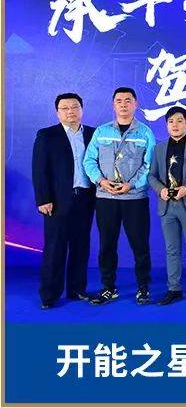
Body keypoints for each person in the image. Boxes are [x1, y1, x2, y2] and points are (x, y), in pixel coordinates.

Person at [83, 87, 156, 306]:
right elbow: (89, 160)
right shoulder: (101, 131)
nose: (123, 104)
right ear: (113, 105)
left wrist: (131, 184)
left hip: (135, 199)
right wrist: (101, 181)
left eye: (128, 100)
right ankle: (108, 287)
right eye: (119, 101)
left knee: (140, 245)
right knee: (107, 244)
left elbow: (149, 165)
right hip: (106, 198)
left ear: (136, 104)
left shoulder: (145, 133)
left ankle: (143, 287)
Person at [32, 93, 96, 309]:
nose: (71, 111)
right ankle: (49, 295)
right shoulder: (47, 135)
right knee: (55, 247)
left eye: (75, 107)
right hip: (58, 201)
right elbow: (39, 169)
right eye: (65, 108)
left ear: (82, 109)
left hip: (86, 198)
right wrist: (43, 199)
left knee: (81, 246)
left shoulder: (93, 134)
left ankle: (77, 289)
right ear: (57, 112)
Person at [147, 106, 186, 307]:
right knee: (171, 249)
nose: (175, 125)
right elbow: (151, 175)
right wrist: (160, 190)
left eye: (179, 120)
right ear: (166, 125)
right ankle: (174, 289)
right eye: (171, 121)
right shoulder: (158, 148)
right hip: (166, 206)